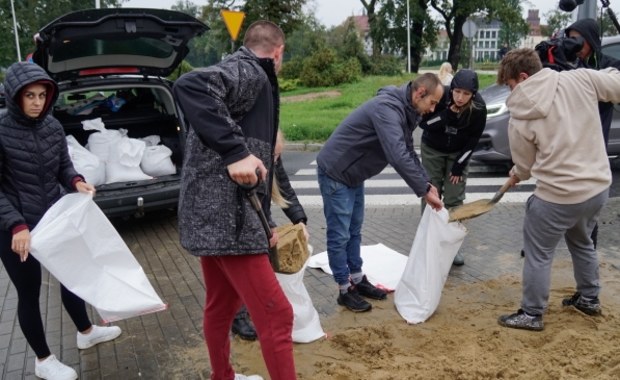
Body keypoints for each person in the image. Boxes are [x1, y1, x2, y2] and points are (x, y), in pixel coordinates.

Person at [172, 21, 295, 380]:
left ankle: (221, 375)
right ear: (278, 51)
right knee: (277, 315)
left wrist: (267, 224)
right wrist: (235, 151)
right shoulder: (250, 72)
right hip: (229, 224)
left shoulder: (251, 77)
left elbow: (254, 173)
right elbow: (190, 85)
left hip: (218, 218)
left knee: (221, 306)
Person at [0, 62, 122, 380]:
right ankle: (43, 360)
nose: (38, 102)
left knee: (74, 276)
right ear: (15, 96)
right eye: (30, 95)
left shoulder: (52, 126)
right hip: (15, 229)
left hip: (53, 218)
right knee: (29, 292)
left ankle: (86, 331)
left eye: (42, 95)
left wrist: (77, 181)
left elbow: (64, 167)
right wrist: (16, 225)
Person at [495, 48, 620, 331]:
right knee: (583, 242)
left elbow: (525, 165)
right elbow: (617, 85)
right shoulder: (581, 79)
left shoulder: (520, 116)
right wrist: (612, 71)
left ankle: (531, 313)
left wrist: (517, 173)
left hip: (556, 198)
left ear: (523, 77)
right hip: (597, 190)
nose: (511, 92)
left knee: (538, 253)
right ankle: (589, 298)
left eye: (511, 85)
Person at [316, 73, 444, 313]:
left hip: (354, 173)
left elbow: (407, 149)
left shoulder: (407, 111)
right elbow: (396, 154)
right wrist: (423, 190)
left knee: (354, 230)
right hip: (337, 172)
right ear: (420, 93)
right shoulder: (387, 109)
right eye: (433, 102)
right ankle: (344, 289)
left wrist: (427, 183)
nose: (433, 108)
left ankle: (357, 277)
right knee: (340, 234)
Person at [231, 131, 309, 341]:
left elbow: (283, 187)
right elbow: (247, 205)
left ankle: (251, 308)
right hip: (235, 224)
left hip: (257, 216)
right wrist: (267, 230)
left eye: (278, 157)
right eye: (273, 157)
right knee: (240, 266)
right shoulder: (242, 168)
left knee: (257, 264)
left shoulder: (269, 156)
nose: (275, 161)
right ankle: (238, 317)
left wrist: (299, 219)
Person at [419, 69, 487, 266]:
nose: (460, 97)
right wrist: (446, 115)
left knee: (455, 198)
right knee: (432, 193)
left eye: (466, 94)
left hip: (458, 152)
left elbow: (474, 140)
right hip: (433, 148)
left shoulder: (479, 107)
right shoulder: (441, 96)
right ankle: (428, 242)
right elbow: (425, 124)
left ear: (473, 94)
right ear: (452, 89)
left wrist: (459, 165)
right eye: (457, 92)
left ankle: (451, 245)